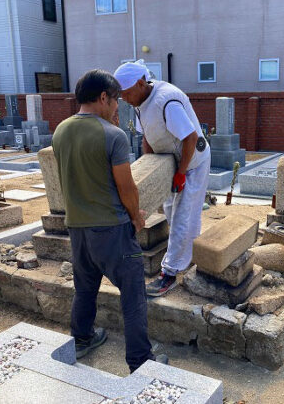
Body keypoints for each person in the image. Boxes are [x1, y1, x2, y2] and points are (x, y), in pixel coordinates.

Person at [52, 69, 164, 372]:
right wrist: (136, 218)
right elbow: (126, 187)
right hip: (112, 229)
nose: (118, 106)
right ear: (103, 97)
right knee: (133, 293)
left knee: (85, 288)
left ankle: (81, 338)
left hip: (77, 228)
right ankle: (140, 361)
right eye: (115, 100)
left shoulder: (60, 130)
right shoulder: (112, 135)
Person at [114, 60, 211, 297]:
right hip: (170, 161)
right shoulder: (140, 100)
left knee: (182, 215)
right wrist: (151, 169)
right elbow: (147, 135)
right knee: (171, 210)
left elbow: (189, 138)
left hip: (192, 162)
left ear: (139, 83)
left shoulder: (165, 101)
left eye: (126, 93)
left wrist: (181, 172)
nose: (124, 99)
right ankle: (188, 251)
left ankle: (169, 273)